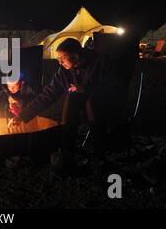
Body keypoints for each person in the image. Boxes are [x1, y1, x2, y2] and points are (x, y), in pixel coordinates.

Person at [8, 38, 122, 178]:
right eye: (58, 59)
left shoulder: (100, 63)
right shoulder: (65, 72)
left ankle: (98, 159)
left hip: (102, 104)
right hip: (81, 103)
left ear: (76, 54)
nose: (60, 62)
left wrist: (85, 89)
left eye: (63, 58)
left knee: (89, 100)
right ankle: (68, 158)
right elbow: (47, 94)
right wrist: (22, 115)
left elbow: (115, 90)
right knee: (72, 98)